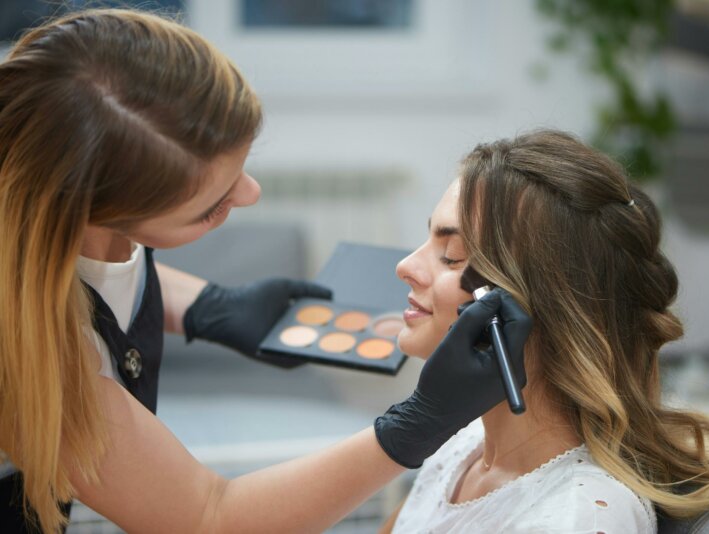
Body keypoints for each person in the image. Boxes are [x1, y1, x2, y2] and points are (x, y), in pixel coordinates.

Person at [0, 9, 532, 533]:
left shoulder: (52, 221)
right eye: (212, 205)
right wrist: (413, 428)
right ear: (92, 208)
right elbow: (208, 517)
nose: (251, 194)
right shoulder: (19, 353)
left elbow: (96, 280)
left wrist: (208, 307)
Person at [381, 130, 709, 533]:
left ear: (533, 310)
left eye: (451, 257)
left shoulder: (577, 519)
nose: (406, 266)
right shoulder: (464, 446)